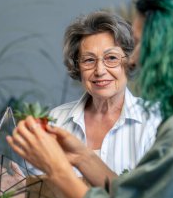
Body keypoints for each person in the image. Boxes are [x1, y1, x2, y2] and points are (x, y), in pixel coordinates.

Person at [7, 0, 173, 198]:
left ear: (167, 47)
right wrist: (81, 157)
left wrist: (56, 168)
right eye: (88, 60)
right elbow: (132, 197)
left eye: (139, 43)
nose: (134, 59)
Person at [49, 11, 161, 175]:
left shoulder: (155, 120)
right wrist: (22, 190)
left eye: (111, 58)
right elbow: (42, 190)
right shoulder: (56, 120)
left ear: (130, 61)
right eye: (89, 60)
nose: (100, 71)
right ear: (77, 66)